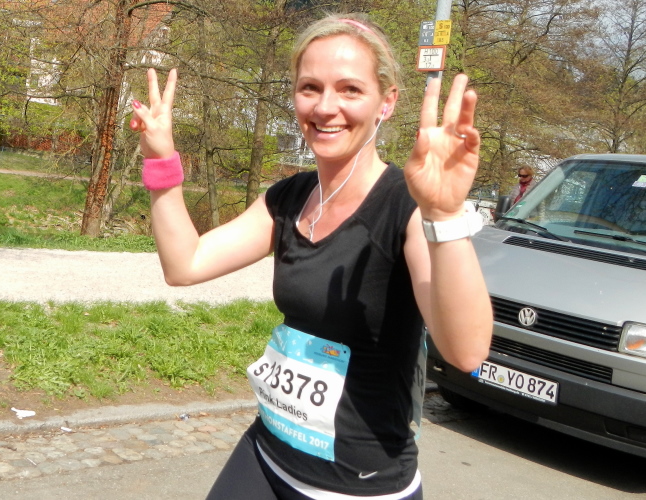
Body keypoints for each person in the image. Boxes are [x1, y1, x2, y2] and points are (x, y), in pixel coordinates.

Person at [129, 14, 492, 500]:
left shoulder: (406, 207)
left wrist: (444, 215)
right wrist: (160, 160)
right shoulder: (290, 197)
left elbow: (466, 351)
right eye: (310, 87)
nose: (325, 107)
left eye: (350, 89)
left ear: (387, 101)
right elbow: (185, 264)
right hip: (268, 452)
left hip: (356, 486)